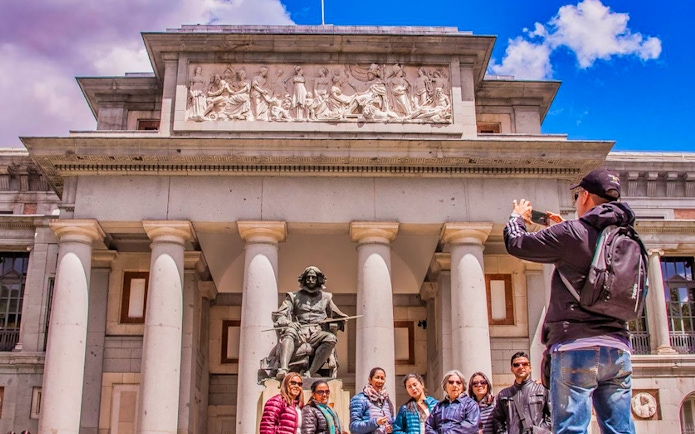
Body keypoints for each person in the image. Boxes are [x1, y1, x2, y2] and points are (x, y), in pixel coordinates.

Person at [503, 167, 636, 434]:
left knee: (571, 429)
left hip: (576, 346)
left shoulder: (572, 233)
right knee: (620, 429)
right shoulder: (628, 236)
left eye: (577, 196)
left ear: (585, 195)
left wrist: (516, 218)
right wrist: (561, 229)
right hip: (618, 348)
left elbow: (516, 243)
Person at [270, 266, 349, 379]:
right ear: (304, 279)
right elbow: (279, 314)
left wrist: (340, 319)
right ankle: (283, 369)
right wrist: (287, 322)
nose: (310, 280)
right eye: (308, 277)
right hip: (299, 331)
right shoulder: (293, 296)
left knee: (331, 338)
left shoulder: (326, 297)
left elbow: (337, 315)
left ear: (318, 279)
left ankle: (310, 372)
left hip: (317, 333)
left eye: (313, 277)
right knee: (289, 331)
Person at [492, 352, 551, 434]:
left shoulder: (543, 390)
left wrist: (539, 431)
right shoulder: (503, 395)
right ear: (512, 369)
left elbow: (552, 416)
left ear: (530, 368)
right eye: (516, 365)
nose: (521, 367)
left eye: (525, 364)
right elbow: (498, 420)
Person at [425, 370, 479, 434]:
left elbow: (471, 426)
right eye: (451, 382)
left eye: (458, 382)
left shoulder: (470, 404)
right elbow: (428, 426)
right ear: (445, 386)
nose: (454, 385)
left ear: (462, 386)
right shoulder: (438, 406)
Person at [350, 367, 395, 434]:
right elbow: (354, 427)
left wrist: (392, 427)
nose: (380, 381)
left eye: (382, 378)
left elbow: (392, 420)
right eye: (377, 377)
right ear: (370, 379)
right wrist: (375, 422)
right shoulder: (360, 399)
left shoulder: (386, 400)